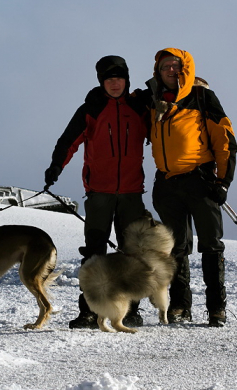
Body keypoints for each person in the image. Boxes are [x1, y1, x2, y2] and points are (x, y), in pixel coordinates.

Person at [44, 55, 148, 329]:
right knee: (94, 254)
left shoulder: (139, 108)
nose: (115, 84)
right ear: (101, 81)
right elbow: (68, 141)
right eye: (109, 79)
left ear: (127, 79)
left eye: (119, 78)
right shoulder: (91, 109)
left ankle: (131, 309)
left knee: (132, 253)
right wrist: (56, 167)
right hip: (99, 193)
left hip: (131, 192)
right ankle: (89, 311)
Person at [144, 47, 236, 327]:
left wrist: (223, 182)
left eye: (175, 65)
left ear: (186, 68)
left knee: (211, 245)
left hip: (201, 181)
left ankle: (216, 308)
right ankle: (180, 306)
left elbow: (225, 141)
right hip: (167, 184)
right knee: (176, 248)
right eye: (164, 67)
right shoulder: (152, 100)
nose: (171, 70)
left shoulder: (202, 97)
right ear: (157, 72)